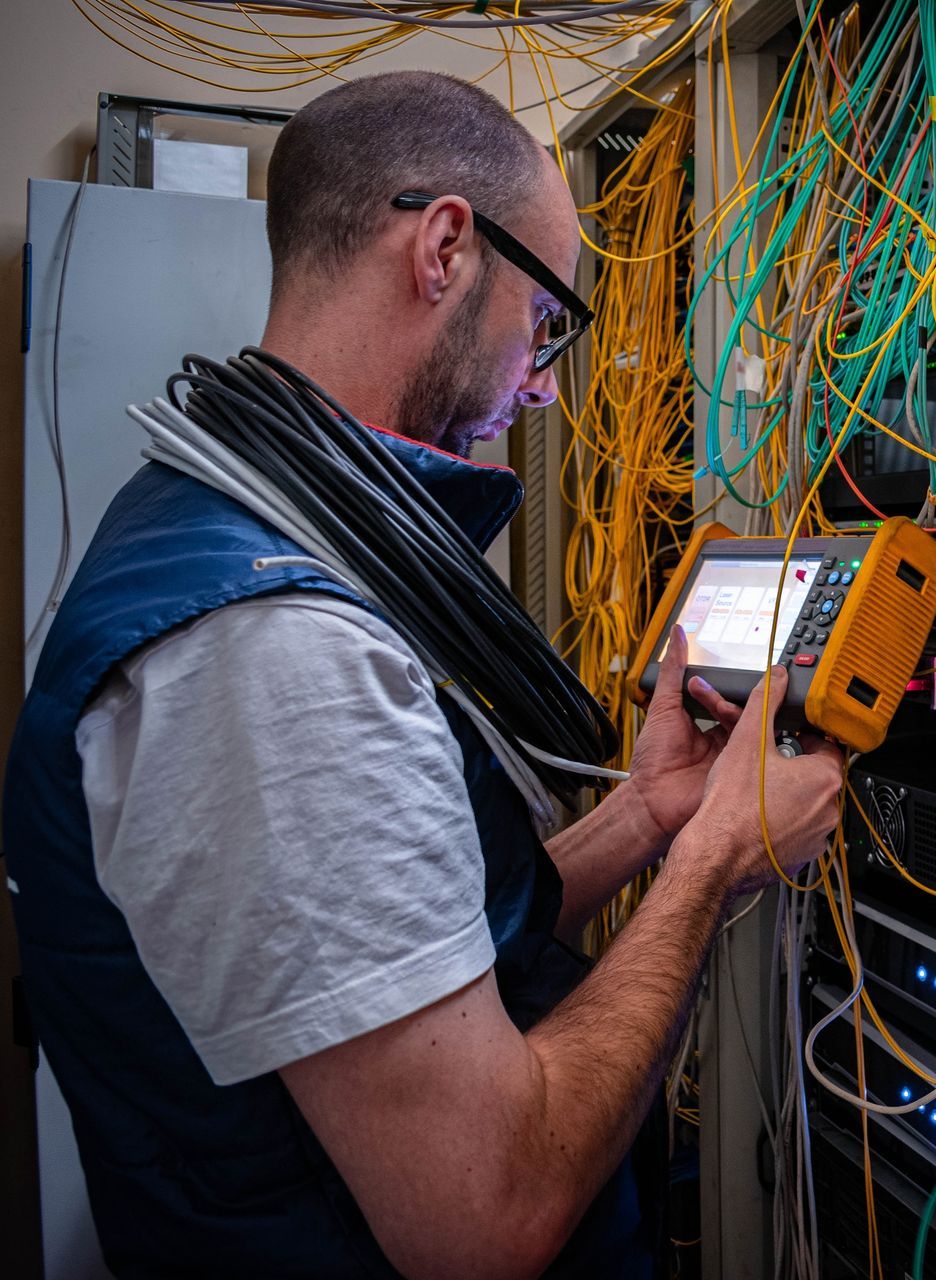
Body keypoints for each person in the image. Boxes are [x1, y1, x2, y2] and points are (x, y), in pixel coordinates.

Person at [4, 71, 843, 1278]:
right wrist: (713, 864)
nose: (546, 380)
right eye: (546, 318)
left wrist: (649, 815)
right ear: (446, 248)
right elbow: (482, 1217)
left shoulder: (212, 519)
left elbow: (419, 936)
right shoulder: (274, 652)